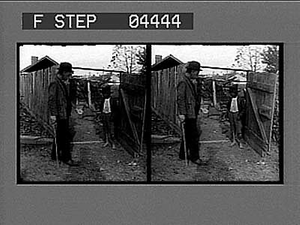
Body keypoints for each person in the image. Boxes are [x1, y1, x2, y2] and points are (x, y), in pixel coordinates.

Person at [48, 62, 78, 166]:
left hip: (64, 113)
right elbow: (52, 100)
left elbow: (66, 98)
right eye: (68, 74)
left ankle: (54, 155)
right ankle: (67, 158)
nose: (69, 76)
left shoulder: (63, 82)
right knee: (65, 136)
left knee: (59, 135)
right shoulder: (55, 83)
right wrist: (53, 114)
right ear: (63, 72)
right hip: (60, 114)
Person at [177, 61, 203, 165]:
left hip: (193, 112)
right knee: (194, 135)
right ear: (191, 71)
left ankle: (182, 154)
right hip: (188, 113)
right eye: (196, 71)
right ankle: (195, 157)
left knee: (187, 135)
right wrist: (182, 113)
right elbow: (180, 98)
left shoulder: (192, 81)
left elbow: (195, 97)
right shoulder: (183, 82)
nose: (197, 74)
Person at [99, 85, 117, 149]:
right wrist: (101, 114)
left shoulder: (113, 100)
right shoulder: (103, 100)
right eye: (104, 94)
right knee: (105, 129)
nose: (104, 95)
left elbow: (115, 109)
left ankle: (113, 143)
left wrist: (113, 116)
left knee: (111, 130)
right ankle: (106, 141)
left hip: (110, 115)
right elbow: (101, 107)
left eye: (106, 94)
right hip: (104, 115)